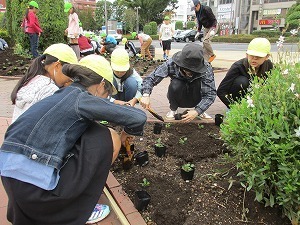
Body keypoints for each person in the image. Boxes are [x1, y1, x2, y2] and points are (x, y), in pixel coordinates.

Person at [0, 54, 147, 225]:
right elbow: (138, 117)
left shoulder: (61, 94)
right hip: (38, 192)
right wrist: (126, 134)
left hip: (13, 183)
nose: (106, 99)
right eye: (107, 94)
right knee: (107, 136)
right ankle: (81, 205)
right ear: (100, 86)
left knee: (88, 130)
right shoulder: (80, 98)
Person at [140, 43, 216, 122]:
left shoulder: (206, 68)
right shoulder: (172, 63)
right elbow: (151, 78)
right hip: (178, 94)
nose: (189, 73)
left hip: (197, 95)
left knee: (199, 84)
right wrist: (146, 95)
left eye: (193, 71)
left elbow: (210, 94)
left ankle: (201, 112)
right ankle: (173, 109)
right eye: (187, 69)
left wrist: (198, 110)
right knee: (176, 84)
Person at [11, 43, 78, 122]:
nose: (70, 79)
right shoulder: (50, 90)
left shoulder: (33, 80)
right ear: (57, 66)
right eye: (70, 73)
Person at [217, 37, 273, 108]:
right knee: (242, 81)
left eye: (258, 56)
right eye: (251, 55)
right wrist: (234, 107)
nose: (254, 59)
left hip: (257, 100)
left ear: (267, 57)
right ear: (246, 54)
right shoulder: (238, 66)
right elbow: (221, 91)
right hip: (238, 101)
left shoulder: (269, 66)